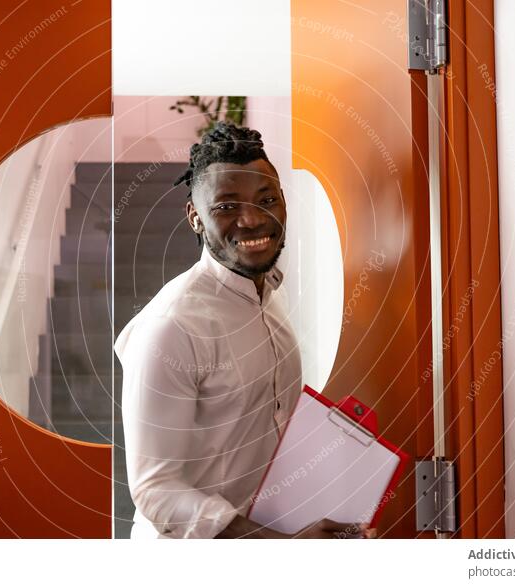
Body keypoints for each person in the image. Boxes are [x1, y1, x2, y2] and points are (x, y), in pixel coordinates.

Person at [114, 121, 376, 539]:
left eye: (267, 199)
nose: (253, 219)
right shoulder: (170, 328)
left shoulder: (270, 296)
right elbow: (155, 491)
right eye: (226, 206)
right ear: (195, 217)